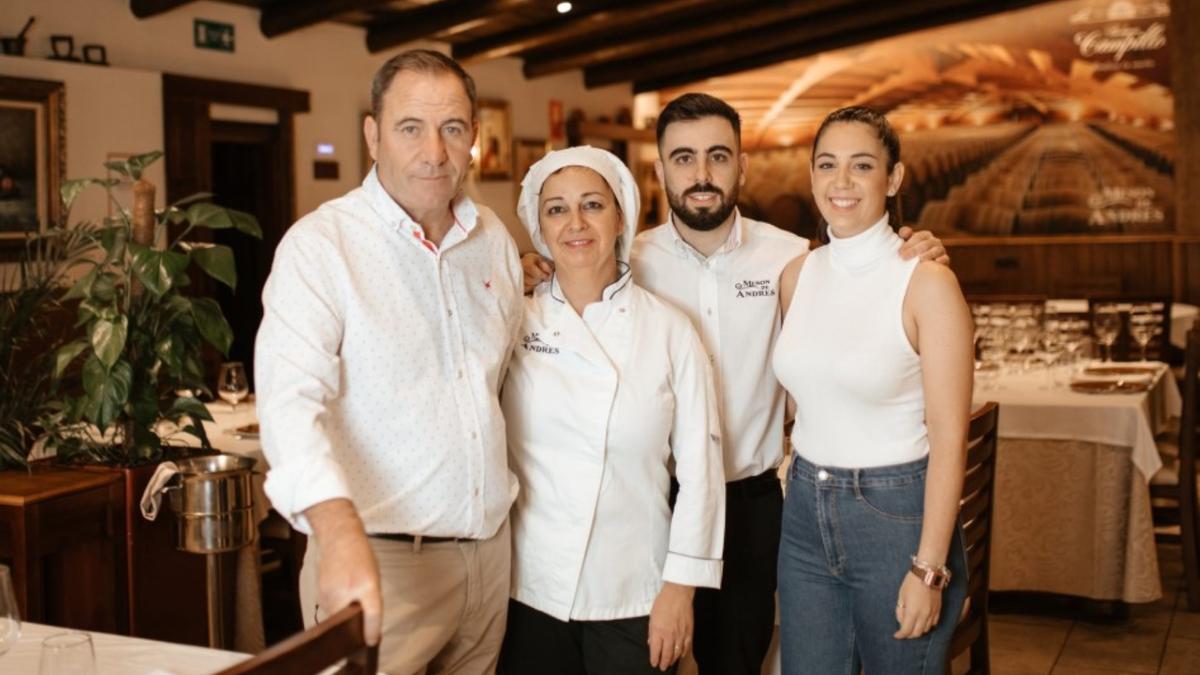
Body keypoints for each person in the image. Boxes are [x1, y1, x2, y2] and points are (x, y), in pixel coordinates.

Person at [523, 93, 948, 675]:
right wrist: (532, 265)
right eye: (683, 158)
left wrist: (915, 247)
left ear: (742, 166)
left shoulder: (793, 258)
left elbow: (858, 293)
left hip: (750, 505)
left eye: (718, 157)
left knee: (737, 659)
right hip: (651, 504)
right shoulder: (626, 257)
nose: (701, 174)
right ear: (660, 169)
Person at [255, 49, 523, 674]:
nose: (434, 151)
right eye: (410, 128)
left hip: (489, 559)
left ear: (473, 138)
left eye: (452, 128)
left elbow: (501, 382)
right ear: (372, 135)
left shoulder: (494, 241)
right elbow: (290, 404)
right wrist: (336, 533)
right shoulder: (322, 247)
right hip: (378, 562)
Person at [498, 146, 726, 674]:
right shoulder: (513, 322)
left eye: (592, 205)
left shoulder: (669, 330)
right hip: (529, 588)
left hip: (635, 592)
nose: (575, 223)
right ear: (538, 226)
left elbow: (702, 474)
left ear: (621, 214)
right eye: (556, 209)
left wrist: (679, 589)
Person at [773, 106, 972, 674]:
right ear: (811, 176)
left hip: (898, 518)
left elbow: (951, 435)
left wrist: (929, 568)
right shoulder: (797, 275)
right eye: (827, 165)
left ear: (895, 178)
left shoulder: (926, 282)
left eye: (862, 165)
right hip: (806, 509)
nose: (842, 182)